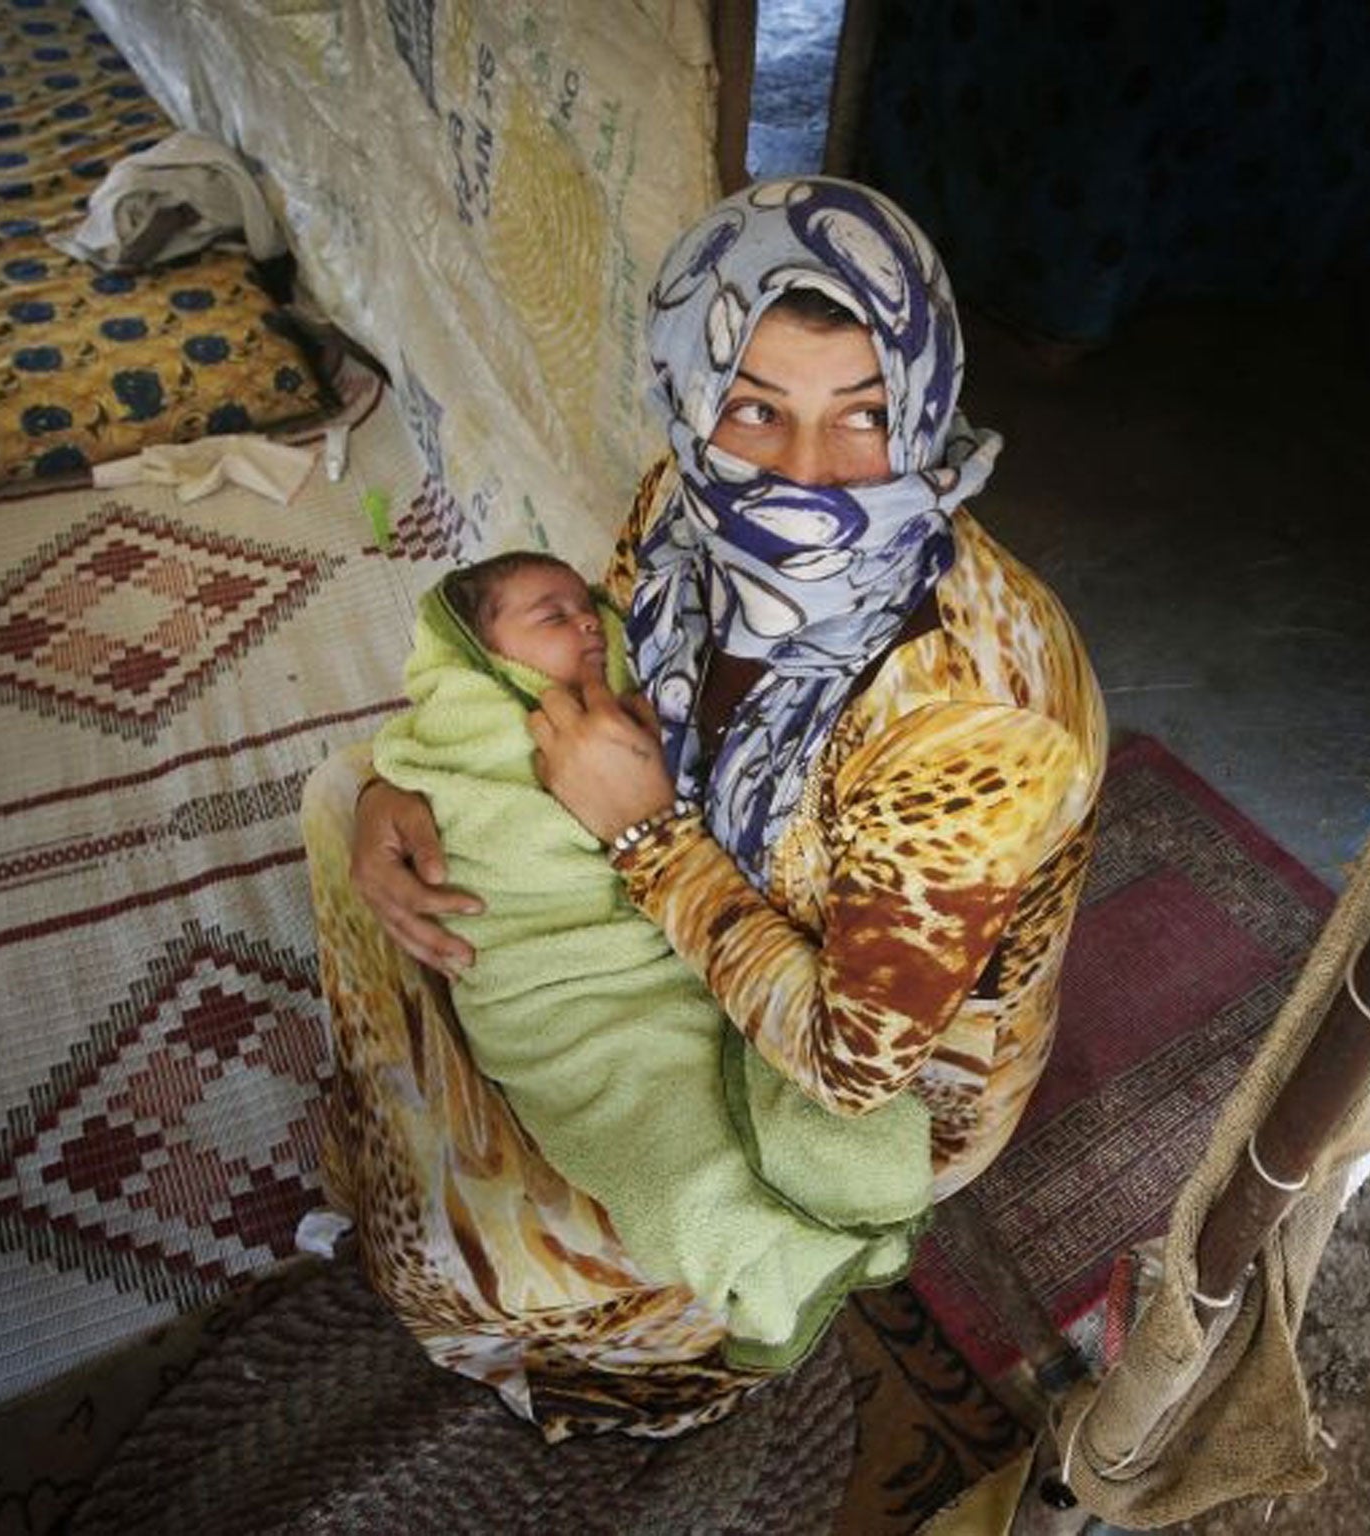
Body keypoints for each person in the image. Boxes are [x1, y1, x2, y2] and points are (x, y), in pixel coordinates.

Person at [311, 176, 1106, 1438]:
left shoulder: (974, 724)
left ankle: (697, 1343)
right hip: (678, 915)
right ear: (689, 399)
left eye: (867, 416)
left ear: (932, 403)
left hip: (877, 1079)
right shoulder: (682, 512)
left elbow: (856, 1068)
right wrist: (402, 789)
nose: (807, 479)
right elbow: (592, 663)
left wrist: (644, 839)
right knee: (344, 806)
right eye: (753, 409)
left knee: (489, 1255)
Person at [368, 550, 932, 1372]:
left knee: (772, 1104)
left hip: (666, 956)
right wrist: (382, 795)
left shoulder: (650, 686)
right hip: (559, 992)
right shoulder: (466, 742)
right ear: (476, 655)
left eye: (586, 606)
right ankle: (762, 1281)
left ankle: (840, 1218)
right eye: (549, 617)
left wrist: (644, 799)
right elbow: (471, 817)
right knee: (671, 1169)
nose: (587, 627)